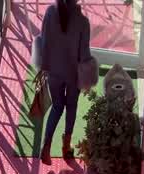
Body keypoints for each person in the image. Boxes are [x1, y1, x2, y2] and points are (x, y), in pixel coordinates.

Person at [38, 0, 91, 164]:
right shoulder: (83, 22)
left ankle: (46, 145)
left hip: (53, 72)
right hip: (73, 74)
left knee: (57, 106)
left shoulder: (49, 13)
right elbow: (84, 54)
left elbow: (44, 43)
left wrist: (44, 68)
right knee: (71, 107)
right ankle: (66, 148)